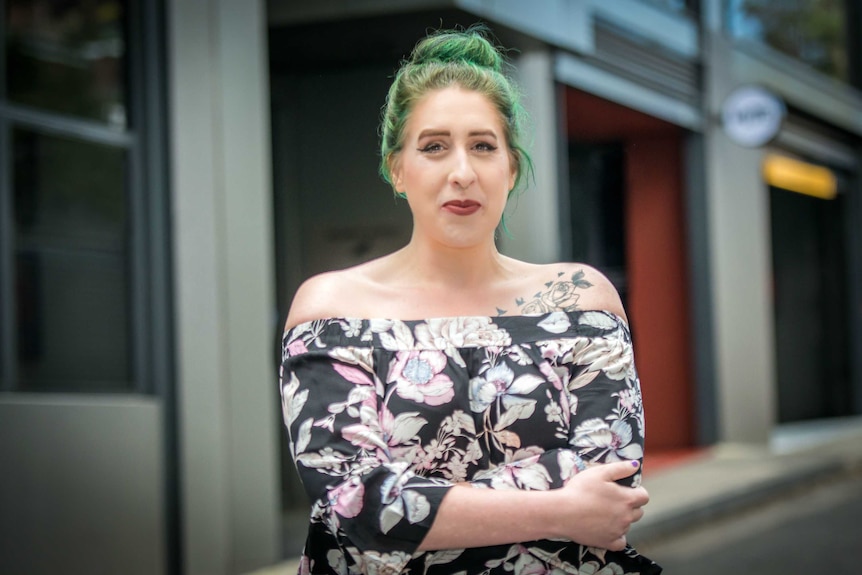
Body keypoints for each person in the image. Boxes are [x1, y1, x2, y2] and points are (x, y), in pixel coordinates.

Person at [280, 25, 662, 575]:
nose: (462, 173)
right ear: (398, 169)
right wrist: (561, 509)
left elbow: (611, 480)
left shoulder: (580, 299)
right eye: (434, 147)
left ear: (510, 166)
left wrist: (422, 504)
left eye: (483, 146)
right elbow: (357, 505)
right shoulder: (333, 307)